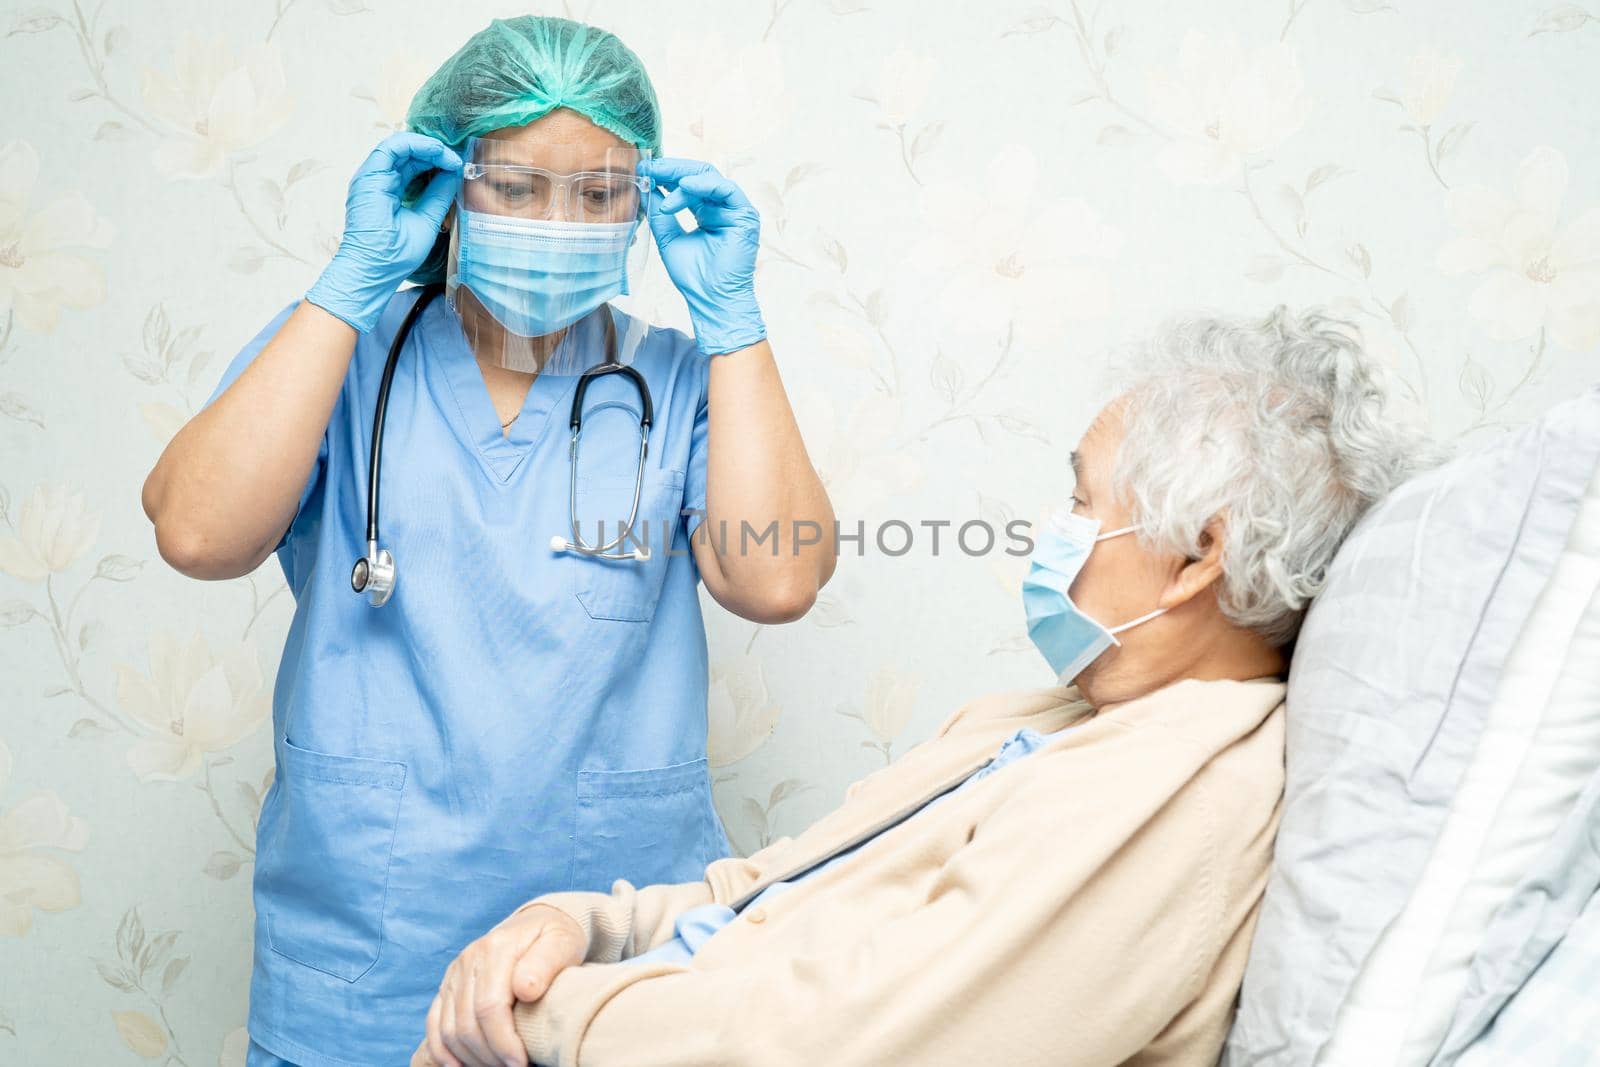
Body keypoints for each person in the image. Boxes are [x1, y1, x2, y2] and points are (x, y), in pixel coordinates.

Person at [411, 308, 1435, 1067]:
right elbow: (769, 893)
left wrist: (543, 1017)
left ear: (1196, 557)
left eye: (1082, 499)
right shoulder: (1053, 723)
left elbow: (846, 1045)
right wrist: (584, 924)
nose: (1050, 530)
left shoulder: (1177, 793)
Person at [139, 16, 834, 1067]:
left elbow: (777, 578)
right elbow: (195, 532)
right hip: (367, 962)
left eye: (598, 194)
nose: (559, 221)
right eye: (514, 188)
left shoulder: (682, 381)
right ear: (447, 183)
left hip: (611, 966)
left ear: (640, 202)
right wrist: (348, 281)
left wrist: (734, 319)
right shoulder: (342, 359)